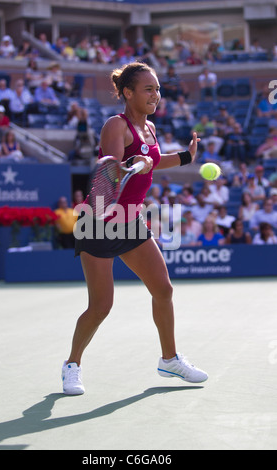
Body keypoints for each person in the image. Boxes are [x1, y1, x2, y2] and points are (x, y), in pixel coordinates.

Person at [62, 61, 208, 395]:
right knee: (101, 306)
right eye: (148, 89)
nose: (155, 95)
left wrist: (185, 157)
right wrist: (135, 165)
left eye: (157, 89)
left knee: (164, 289)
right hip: (98, 223)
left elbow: (152, 160)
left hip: (132, 223)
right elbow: (113, 170)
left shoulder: (150, 128)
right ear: (128, 93)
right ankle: (72, 364)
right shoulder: (116, 125)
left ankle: (169, 359)